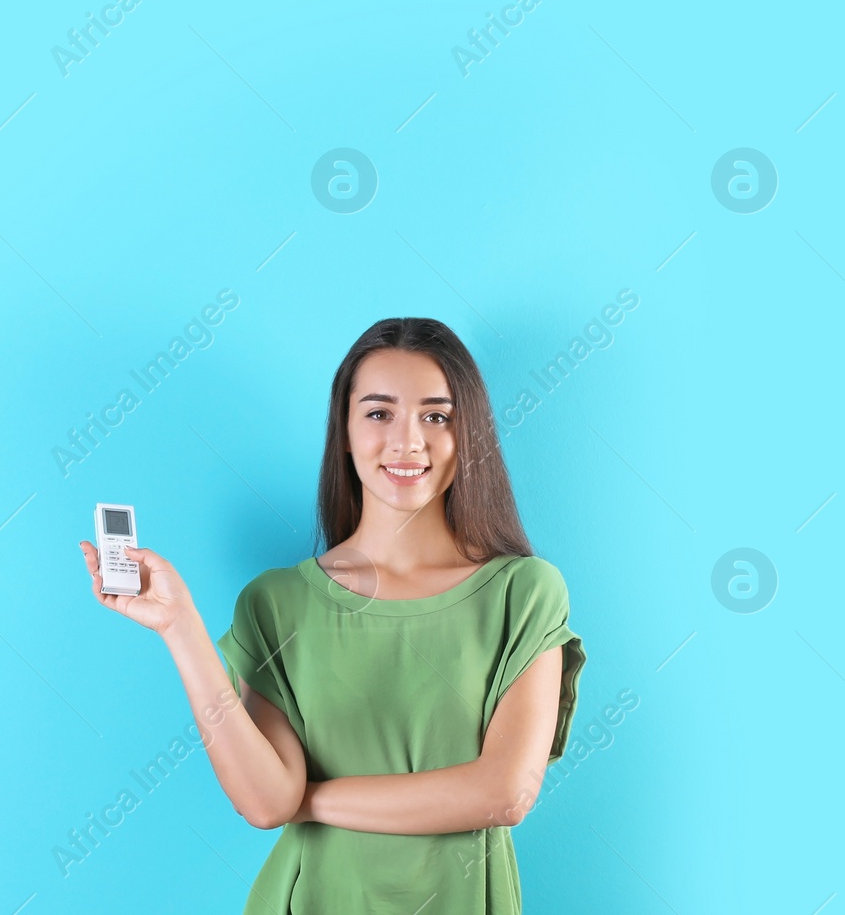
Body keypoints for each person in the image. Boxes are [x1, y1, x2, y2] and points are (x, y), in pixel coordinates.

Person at [79, 317, 587, 914]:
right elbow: (268, 802)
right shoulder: (276, 604)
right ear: (343, 431)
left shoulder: (523, 592)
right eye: (378, 413)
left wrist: (312, 800)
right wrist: (179, 626)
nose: (407, 442)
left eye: (436, 415)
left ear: (467, 433)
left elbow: (505, 793)